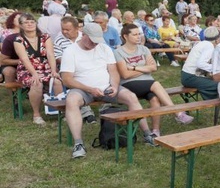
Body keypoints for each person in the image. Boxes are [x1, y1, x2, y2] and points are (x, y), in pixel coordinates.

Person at [61, 23, 158, 159]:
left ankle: (147, 134)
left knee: (131, 97)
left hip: (107, 87)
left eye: (97, 41)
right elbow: (67, 80)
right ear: (83, 35)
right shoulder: (70, 51)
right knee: (71, 101)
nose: (95, 44)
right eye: (92, 40)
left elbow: (113, 71)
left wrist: (114, 86)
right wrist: (90, 89)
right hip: (82, 89)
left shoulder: (104, 48)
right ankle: (78, 144)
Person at [115, 24, 193, 136]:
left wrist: (134, 67)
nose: (139, 37)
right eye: (135, 34)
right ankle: (178, 113)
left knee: (155, 98)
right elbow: (125, 75)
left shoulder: (144, 49)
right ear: (125, 36)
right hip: (129, 84)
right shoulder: (118, 52)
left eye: (139, 34)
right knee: (155, 84)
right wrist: (145, 69)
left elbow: (153, 67)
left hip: (147, 83)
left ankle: (155, 131)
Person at [13, 13, 63, 125]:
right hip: (27, 69)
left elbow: (50, 54)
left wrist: (54, 70)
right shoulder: (18, 40)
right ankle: (36, 115)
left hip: (46, 67)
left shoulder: (45, 37)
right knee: (37, 83)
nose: (30, 24)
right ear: (21, 25)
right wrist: (34, 74)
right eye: (26, 22)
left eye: (32, 21)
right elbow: (24, 59)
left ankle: (61, 111)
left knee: (57, 80)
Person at [54, 16, 96, 124]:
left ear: (77, 28)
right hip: (67, 69)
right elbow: (59, 59)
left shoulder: (85, 38)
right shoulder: (58, 40)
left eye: (68, 29)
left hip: (87, 68)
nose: (64, 31)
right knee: (75, 80)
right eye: (63, 29)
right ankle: (87, 112)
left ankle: (95, 109)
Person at [181, 26, 220, 100]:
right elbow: (200, 64)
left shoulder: (202, 43)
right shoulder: (209, 46)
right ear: (217, 39)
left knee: (217, 82)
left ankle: (212, 100)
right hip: (190, 77)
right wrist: (216, 68)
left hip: (187, 76)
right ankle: (213, 101)